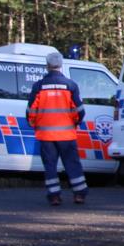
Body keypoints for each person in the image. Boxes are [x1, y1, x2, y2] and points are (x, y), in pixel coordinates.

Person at [27, 52, 87, 206]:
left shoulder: (38, 86)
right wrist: (74, 122)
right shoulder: (71, 85)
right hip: (67, 134)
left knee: (50, 166)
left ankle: (54, 196)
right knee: (72, 164)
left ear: (47, 66)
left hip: (46, 135)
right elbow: (79, 111)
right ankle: (79, 194)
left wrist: (34, 124)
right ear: (61, 65)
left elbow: (31, 111)